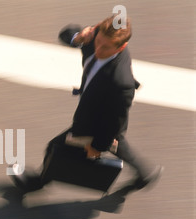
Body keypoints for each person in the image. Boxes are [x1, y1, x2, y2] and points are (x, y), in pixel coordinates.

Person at [11, 15, 163, 193]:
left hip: (94, 122)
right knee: (117, 142)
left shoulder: (121, 83)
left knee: (56, 147)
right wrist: (78, 37)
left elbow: (114, 122)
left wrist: (96, 147)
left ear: (121, 47)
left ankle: (36, 183)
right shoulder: (98, 34)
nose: (98, 49)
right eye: (98, 42)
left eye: (106, 47)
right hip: (102, 109)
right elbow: (66, 34)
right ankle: (146, 173)